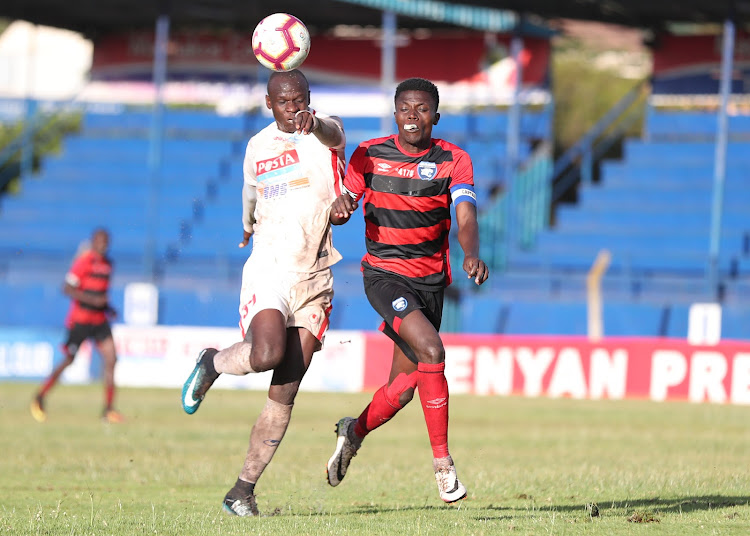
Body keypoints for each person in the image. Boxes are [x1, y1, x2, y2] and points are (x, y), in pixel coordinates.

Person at [181, 69, 346, 517]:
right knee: (268, 352)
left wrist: (340, 204)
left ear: (309, 99)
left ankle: (242, 492)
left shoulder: (326, 130)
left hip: (316, 278)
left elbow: (332, 139)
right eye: (284, 101)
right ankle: (213, 362)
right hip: (270, 268)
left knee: (285, 391)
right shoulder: (258, 146)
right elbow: (251, 190)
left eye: (300, 99)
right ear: (269, 104)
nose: (294, 108)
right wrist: (245, 222)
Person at [325, 77, 489, 503]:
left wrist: (471, 253)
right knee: (433, 352)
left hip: (430, 282)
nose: (412, 117)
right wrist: (340, 209)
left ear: (435, 116)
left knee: (404, 386)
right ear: (394, 113)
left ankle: (353, 431)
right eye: (404, 108)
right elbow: (343, 205)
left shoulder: (455, 159)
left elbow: (466, 215)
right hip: (384, 276)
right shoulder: (368, 155)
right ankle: (444, 469)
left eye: (421, 110)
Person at [30, 228, 124, 424]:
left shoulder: (108, 265)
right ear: (93, 242)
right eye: (99, 241)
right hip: (80, 320)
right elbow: (67, 288)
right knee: (68, 359)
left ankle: (108, 410)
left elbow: (100, 295)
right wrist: (92, 300)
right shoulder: (83, 262)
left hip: (99, 320)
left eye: (106, 241)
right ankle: (40, 397)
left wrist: (108, 308)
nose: (103, 245)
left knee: (111, 358)